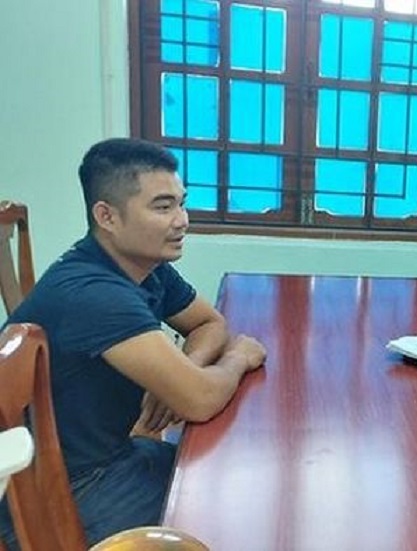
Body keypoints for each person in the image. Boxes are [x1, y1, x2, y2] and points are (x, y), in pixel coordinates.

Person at [0, 138, 266, 549]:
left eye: (181, 204)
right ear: (106, 216)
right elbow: (200, 400)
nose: (182, 220)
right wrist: (238, 358)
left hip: (110, 458)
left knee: (231, 476)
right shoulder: (96, 294)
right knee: (229, 511)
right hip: (60, 496)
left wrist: (183, 371)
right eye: (162, 207)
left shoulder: (143, 266)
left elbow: (208, 322)